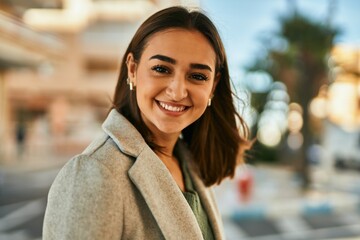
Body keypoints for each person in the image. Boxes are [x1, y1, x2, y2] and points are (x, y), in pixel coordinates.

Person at [43, 6, 250, 240]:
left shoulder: (189, 162)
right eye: (161, 69)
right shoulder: (95, 172)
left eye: (198, 76)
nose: (177, 91)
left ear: (213, 85)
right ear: (132, 69)